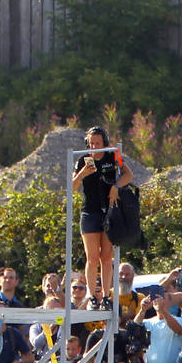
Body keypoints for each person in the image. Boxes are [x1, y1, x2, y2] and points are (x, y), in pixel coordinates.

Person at [72, 125, 134, 311]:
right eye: (91, 143)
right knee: (92, 257)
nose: (94, 147)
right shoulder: (83, 159)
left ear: (104, 143)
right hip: (90, 212)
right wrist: (83, 173)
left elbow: (128, 175)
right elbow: (73, 186)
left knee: (106, 257)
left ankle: (106, 295)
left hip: (109, 211)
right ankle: (92, 296)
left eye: (97, 143)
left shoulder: (112, 155)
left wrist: (116, 186)